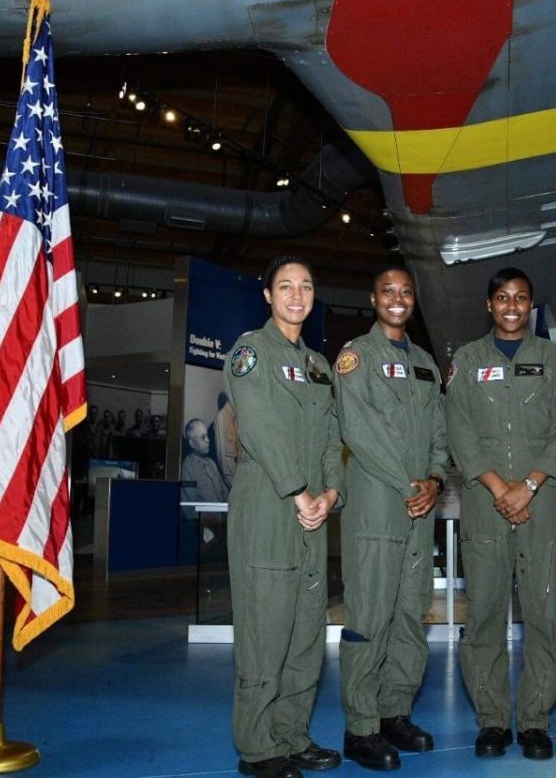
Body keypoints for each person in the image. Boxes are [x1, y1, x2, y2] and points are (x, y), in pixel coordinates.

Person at [445, 267, 556, 760]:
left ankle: (536, 720)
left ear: (531, 306)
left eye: (521, 298)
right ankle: (492, 720)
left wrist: (527, 486)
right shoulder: (467, 359)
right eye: (502, 297)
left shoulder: (553, 359)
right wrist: (501, 488)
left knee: (544, 615)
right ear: (489, 305)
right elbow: (459, 429)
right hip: (484, 504)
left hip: (541, 504)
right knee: (483, 615)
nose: (511, 306)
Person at [223, 255, 344, 778]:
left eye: (306, 286)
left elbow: (334, 438)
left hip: (313, 508)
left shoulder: (319, 365)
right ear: (268, 296)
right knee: (265, 628)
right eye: (286, 286)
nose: (297, 295)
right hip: (269, 506)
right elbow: (260, 427)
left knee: (305, 632)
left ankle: (293, 734)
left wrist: (331, 495)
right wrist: (299, 494)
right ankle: (257, 746)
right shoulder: (251, 351)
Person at [333, 267, 449, 771]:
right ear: (373, 298)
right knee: (370, 617)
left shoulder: (425, 363)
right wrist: (412, 485)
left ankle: (393, 712)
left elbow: (439, 433)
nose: (397, 299)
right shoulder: (356, 357)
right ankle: (361, 726)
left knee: (409, 615)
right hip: (377, 507)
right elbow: (361, 433)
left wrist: (437, 480)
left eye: (405, 292)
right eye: (388, 291)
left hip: (420, 511)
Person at [180, 418, 229, 503]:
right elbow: (188, 507)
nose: (208, 440)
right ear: (192, 443)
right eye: (203, 437)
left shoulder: (211, 463)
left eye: (207, 436)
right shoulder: (188, 467)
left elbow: (225, 494)